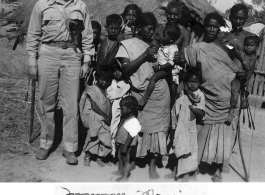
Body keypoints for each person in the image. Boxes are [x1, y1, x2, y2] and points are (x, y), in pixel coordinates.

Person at [26, 0, 94, 164]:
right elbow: (33, 34)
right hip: (48, 53)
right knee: (46, 102)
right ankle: (45, 144)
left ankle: (70, 148)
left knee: (70, 104)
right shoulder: (42, 4)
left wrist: (86, 60)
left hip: (72, 53)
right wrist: (32, 62)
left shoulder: (80, 5)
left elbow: (87, 36)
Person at [184, 12, 240, 182]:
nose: (211, 29)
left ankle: (217, 170)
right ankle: (193, 167)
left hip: (225, 96)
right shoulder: (196, 49)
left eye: (215, 26)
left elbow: (237, 68)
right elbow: (190, 73)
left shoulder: (227, 48)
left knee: (221, 135)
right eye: (208, 25)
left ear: (219, 28)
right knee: (200, 132)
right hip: (205, 96)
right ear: (204, 26)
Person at [116, 12, 170, 179]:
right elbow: (126, 69)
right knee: (135, 127)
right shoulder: (127, 45)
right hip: (139, 93)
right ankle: (129, 161)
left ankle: (152, 166)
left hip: (159, 93)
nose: (151, 32)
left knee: (157, 132)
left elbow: (164, 68)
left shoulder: (156, 45)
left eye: (153, 29)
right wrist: (145, 55)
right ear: (138, 28)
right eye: (148, 29)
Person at [171, 68, 205, 181]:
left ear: (200, 83)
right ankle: (178, 172)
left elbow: (201, 113)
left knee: (189, 150)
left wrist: (191, 107)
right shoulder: (184, 93)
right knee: (180, 148)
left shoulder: (200, 95)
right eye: (190, 81)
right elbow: (177, 106)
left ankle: (188, 173)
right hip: (180, 126)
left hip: (190, 127)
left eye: (195, 82)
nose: (192, 84)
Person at [138, 24, 181, 107]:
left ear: (172, 39)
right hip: (166, 69)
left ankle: (146, 97)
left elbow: (171, 63)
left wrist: (160, 67)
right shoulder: (165, 44)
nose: (162, 37)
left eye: (164, 36)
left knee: (154, 78)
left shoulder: (173, 49)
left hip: (170, 70)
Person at [79, 67, 113, 167]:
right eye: (102, 79)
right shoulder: (92, 90)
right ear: (96, 78)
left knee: (104, 138)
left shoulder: (107, 91)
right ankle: (87, 156)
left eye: (107, 80)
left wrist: (109, 115)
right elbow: (94, 106)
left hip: (104, 119)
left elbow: (110, 104)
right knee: (93, 138)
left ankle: (100, 157)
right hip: (95, 119)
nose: (104, 82)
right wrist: (104, 115)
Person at [225, 35, 259, 124]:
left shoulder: (253, 57)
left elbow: (248, 68)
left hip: (241, 79)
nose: (248, 47)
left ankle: (231, 111)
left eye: (251, 45)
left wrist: (242, 58)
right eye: (246, 45)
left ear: (257, 47)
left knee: (235, 90)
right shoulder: (241, 52)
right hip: (230, 74)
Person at [153, 0, 191, 66]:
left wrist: (178, 56)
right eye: (170, 14)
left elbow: (183, 55)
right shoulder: (159, 28)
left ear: (180, 15)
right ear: (166, 13)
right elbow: (150, 43)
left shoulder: (185, 33)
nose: (172, 17)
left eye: (175, 15)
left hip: (172, 66)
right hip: (156, 62)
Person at [114, 96, 141, 181]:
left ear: (130, 109)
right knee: (120, 156)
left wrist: (126, 146)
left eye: (122, 108)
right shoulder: (126, 118)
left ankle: (125, 176)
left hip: (126, 144)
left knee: (125, 159)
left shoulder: (133, 121)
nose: (121, 110)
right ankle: (120, 171)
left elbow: (131, 135)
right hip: (122, 142)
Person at [106, 63, 130, 157]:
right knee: (111, 128)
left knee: (116, 129)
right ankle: (110, 151)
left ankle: (114, 153)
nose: (117, 73)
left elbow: (119, 95)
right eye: (114, 70)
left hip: (119, 108)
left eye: (119, 70)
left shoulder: (126, 83)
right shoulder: (111, 82)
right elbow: (109, 94)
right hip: (111, 107)